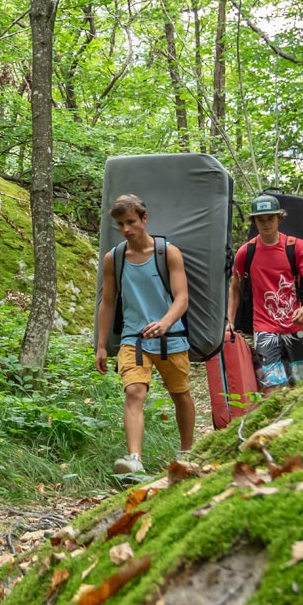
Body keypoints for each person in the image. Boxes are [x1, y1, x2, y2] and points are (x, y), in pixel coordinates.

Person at [93, 193, 196, 476]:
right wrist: (100, 345)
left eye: (131, 222)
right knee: (134, 392)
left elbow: (182, 297)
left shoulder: (168, 253)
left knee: (181, 394)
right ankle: (134, 459)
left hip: (171, 337)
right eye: (120, 224)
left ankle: (186, 452)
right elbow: (108, 301)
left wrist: (164, 323)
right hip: (133, 340)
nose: (126, 229)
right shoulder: (114, 259)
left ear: (144, 219)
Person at [225, 193, 303, 393]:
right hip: (264, 328)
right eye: (261, 219)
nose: (266, 224)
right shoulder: (246, 252)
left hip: (296, 325)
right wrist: (230, 320)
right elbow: (234, 288)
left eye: (270, 218)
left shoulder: (295, 247)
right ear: (254, 221)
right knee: (272, 388)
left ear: (279, 218)